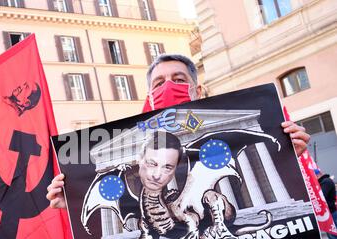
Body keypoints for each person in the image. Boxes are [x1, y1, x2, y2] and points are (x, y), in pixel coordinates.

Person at [46, 53, 310, 210]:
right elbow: (133, 205)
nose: (169, 86)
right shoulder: (137, 144)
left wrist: (288, 155)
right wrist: (72, 204)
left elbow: (272, 183)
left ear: (196, 89)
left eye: (179, 79)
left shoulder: (233, 122)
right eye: (159, 83)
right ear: (149, 95)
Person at [315, 168, 337, 239]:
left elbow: (321, 196)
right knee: (333, 236)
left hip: (332, 213)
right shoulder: (325, 181)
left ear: (317, 175)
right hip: (330, 213)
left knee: (334, 236)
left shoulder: (325, 182)